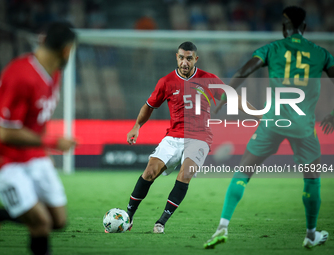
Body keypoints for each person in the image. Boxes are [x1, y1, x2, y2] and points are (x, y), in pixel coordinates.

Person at [204, 6, 334, 249]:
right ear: (304, 28)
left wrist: (225, 97)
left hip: (272, 122)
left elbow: (243, 71)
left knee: (244, 171)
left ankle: (222, 226)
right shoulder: (321, 54)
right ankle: (311, 233)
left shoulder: (271, 49)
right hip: (303, 126)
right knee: (312, 178)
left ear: (284, 28)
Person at [125, 41, 259, 234]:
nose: (184, 62)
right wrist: (137, 126)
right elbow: (149, 106)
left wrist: (258, 114)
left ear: (196, 59)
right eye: (181, 57)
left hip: (199, 138)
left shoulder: (209, 79)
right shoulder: (166, 81)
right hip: (173, 137)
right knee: (149, 172)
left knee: (185, 173)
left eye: (189, 58)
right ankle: (128, 218)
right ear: (176, 57)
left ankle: (161, 221)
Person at [0, 22, 77, 255]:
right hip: (3, 158)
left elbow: (37, 119)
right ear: (66, 50)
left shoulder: (55, 73)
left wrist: (43, 153)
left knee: (58, 221)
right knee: (41, 223)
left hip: (33, 154)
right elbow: (5, 132)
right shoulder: (20, 75)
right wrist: (51, 143)